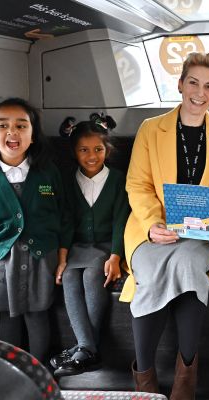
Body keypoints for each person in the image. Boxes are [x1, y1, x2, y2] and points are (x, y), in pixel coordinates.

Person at [121, 52, 209, 400]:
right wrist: (152, 224)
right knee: (149, 270)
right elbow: (137, 185)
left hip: (203, 233)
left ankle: (185, 380)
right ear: (180, 84)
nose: (200, 93)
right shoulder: (150, 129)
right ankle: (145, 381)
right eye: (193, 82)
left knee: (190, 263)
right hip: (152, 229)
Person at [0, 97, 66, 363]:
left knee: (37, 315)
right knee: (8, 316)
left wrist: (61, 255)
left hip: (41, 257)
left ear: (33, 135)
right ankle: (12, 373)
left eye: (21, 126)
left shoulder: (48, 173)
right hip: (1, 259)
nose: (12, 132)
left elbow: (63, 213)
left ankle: (40, 370)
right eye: (2, 125)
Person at [49, 114, 130, 377]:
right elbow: (66, 221)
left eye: (98, 149)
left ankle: (83, 348)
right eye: (84, 150)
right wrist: (62, 258)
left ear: (107, 150)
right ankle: (88, 350)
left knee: (94, 273)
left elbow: (121, 221)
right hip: (78, 246)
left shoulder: (118, 180)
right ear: (74, 152)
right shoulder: (68, 180)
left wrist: (115, 256)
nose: (92, 156)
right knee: (70, 276)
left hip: (106, 246)